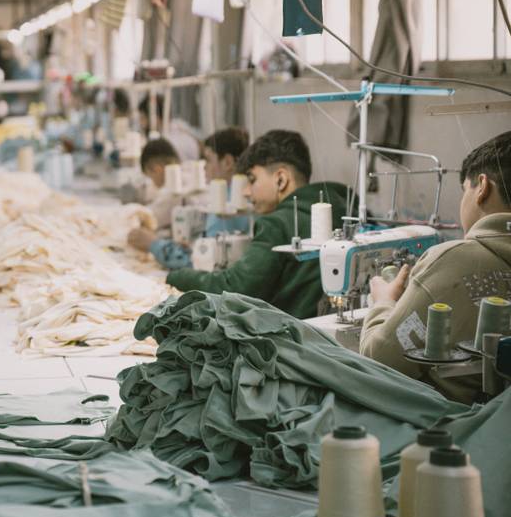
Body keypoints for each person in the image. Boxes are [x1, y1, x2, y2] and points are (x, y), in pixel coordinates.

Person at [363, 131, 511, 404]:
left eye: (463, 190)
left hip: (460, 430)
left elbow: (377, 363)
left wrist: (383, 303)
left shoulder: (454, 260)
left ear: (482, 187)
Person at [166, 130, 350, 319]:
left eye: (252, 180)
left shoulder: (278, 223)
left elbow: (235, 288)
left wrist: (176, 276)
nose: (246, 191)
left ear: (281, 179)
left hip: (289, 336)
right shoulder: (342, 211)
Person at [137, 127, 253, 269]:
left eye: (209, 160)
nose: (204, 167)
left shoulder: (232, 207)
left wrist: (153, 244)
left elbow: (201, 264)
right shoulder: (227, 196)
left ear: (227, 162)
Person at [126, 139, 183, 252]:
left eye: (150, 176)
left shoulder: (174, 193)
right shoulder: (185, 177)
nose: (151, 182)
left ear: (157, 169)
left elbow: (147, 218)